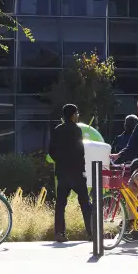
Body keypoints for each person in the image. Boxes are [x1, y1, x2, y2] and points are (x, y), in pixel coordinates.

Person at [48, 104, 92, 242]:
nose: (78, 115)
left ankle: (59, 233)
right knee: (85, 203)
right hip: (77, 172)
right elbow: (80, 151)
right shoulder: (77, 130)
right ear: (73, 115)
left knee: (60, 204)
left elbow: (51, 151)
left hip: (62, 172)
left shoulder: (57, 130)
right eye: (77, 113)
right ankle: (91, 232)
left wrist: (60, 160)